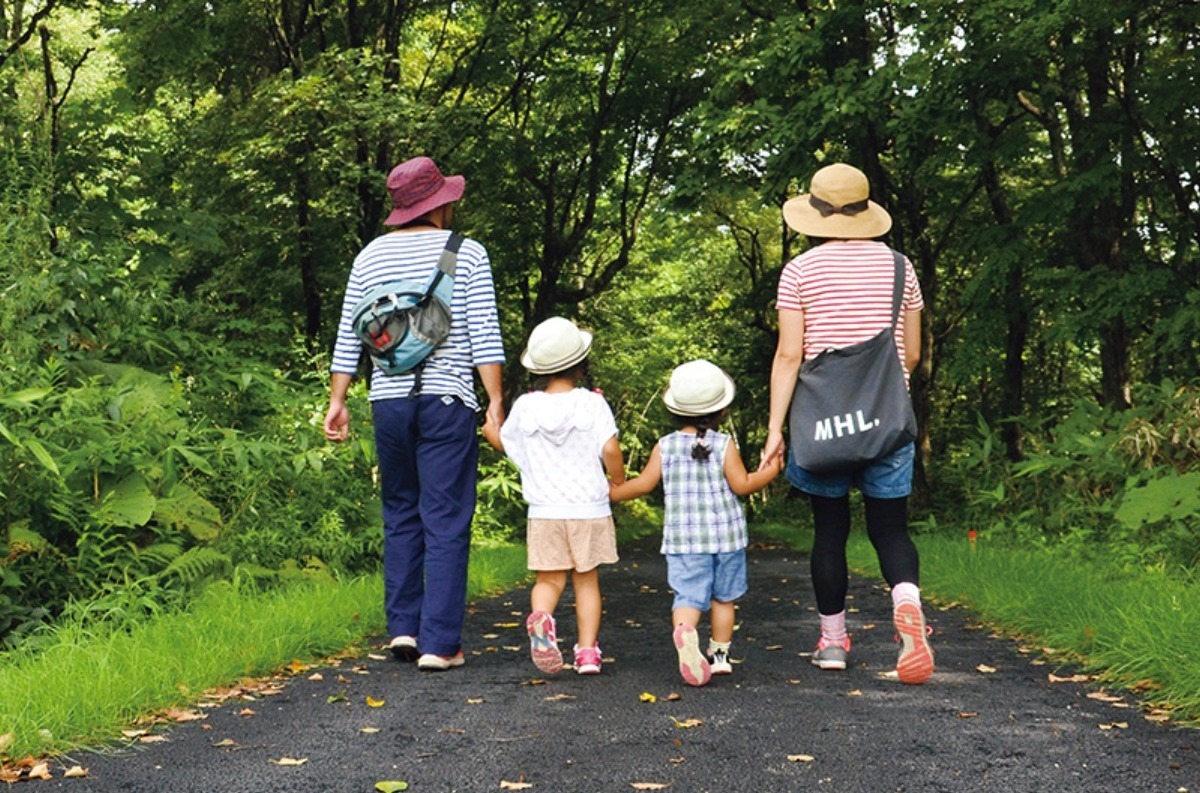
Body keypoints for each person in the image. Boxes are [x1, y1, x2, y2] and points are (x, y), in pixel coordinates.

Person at [324, 156, 505, 672]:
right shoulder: (465, 253)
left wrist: (338, 400)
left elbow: (349, 334)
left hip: (388, 402)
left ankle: (403, 627)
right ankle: (440, 644)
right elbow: (483, 335)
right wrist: (495, 402)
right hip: (447, 402)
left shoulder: (369, 257)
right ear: (441, 203)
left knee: (400, 511)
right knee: (445, 518)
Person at [761, 162, 934, 684]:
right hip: (888, 421)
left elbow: (790, 355)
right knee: (890, 530)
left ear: (814, 212)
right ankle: (907, 607)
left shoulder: (800, 272)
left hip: (822, 423)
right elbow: (912, 355)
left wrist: (774, 428)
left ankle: (833, 643)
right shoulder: (901, 268)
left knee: (829, 532)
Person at [611, 360, 781, 687]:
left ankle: (685, 633)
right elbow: (743, 484)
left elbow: (644, 484)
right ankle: (719, 657)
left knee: (687, 597)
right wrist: (771, 470)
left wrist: (612, 493)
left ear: (675, 409)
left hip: (684, 541)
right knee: (723, 598)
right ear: (721, 410)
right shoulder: (723, 444)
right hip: (727, 538)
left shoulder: (665, 445)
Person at [482, 317, 626, 676]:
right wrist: (618, 479)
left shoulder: (527, 406)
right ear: (579, 363)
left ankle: (542, 620)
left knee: (548, 580)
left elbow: (511, 447)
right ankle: (588, 653)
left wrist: (490, 435)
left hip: (545, 510)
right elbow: (611, 448)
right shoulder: (592, 404)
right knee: (586, 581)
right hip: (587, 509)